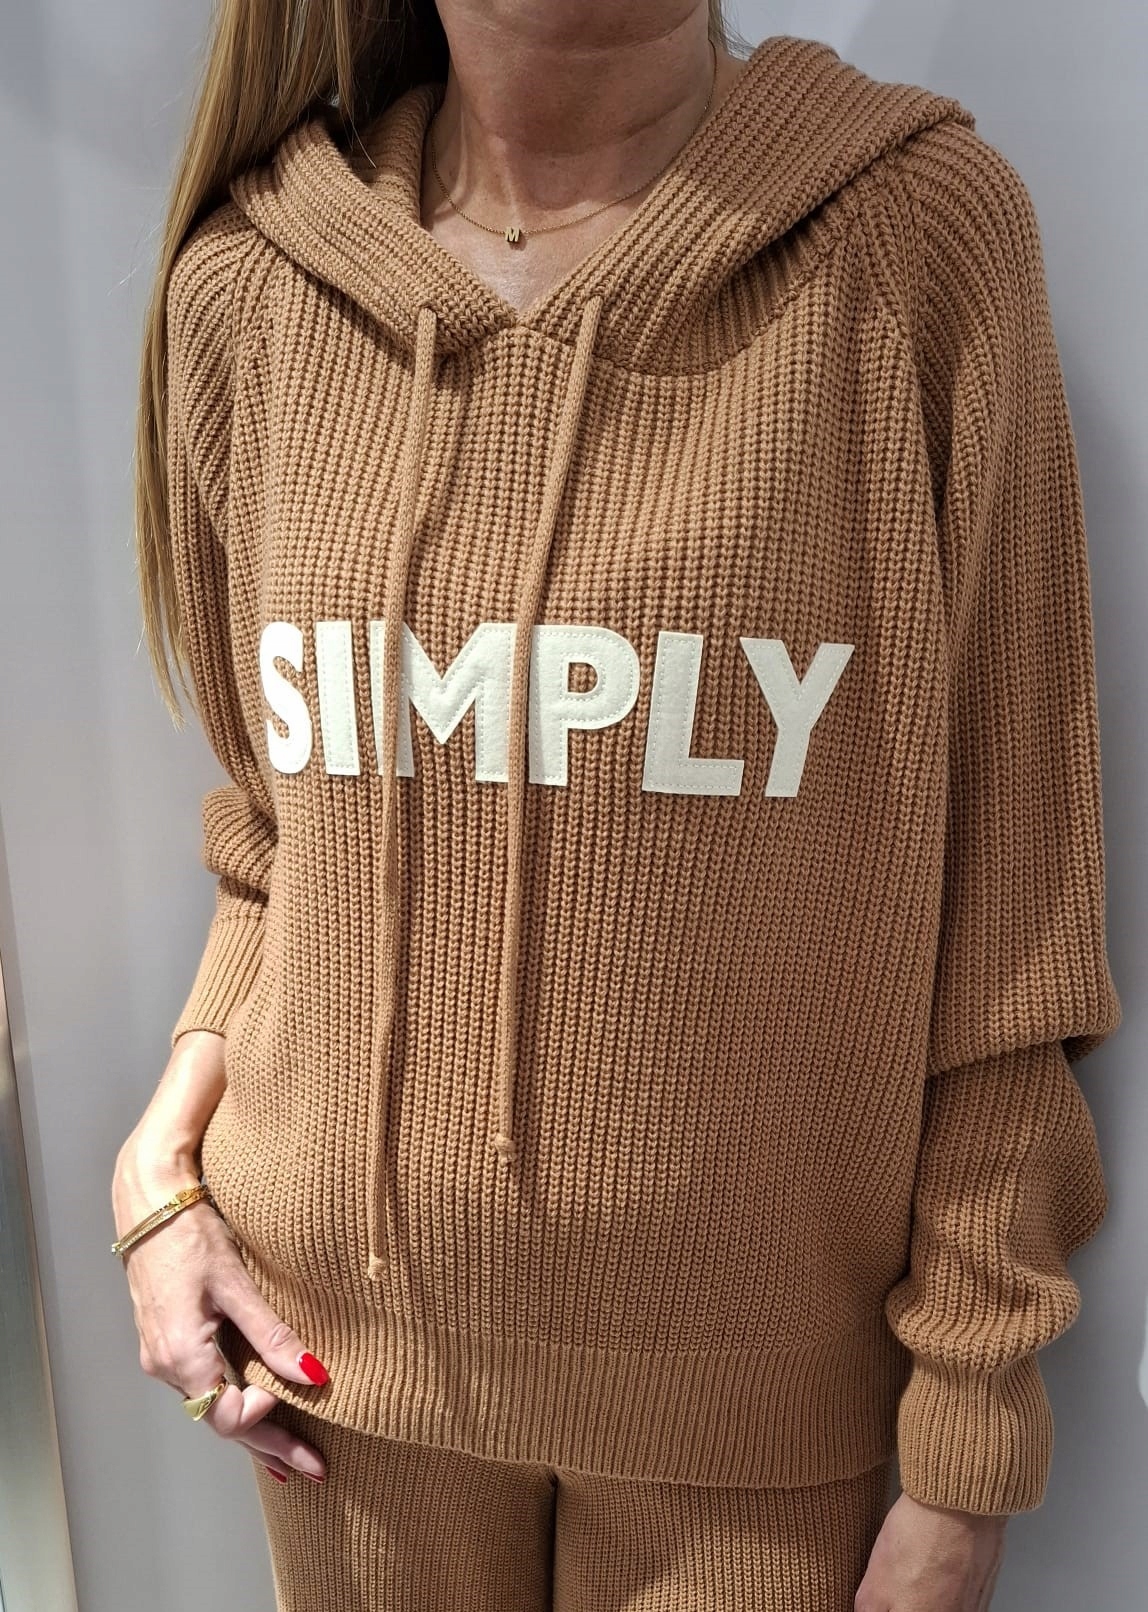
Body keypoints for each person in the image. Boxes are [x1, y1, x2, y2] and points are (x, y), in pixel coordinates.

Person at [112, 2, 1123, 1607]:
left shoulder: (915, 240)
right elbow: (283, 843)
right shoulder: (252, 284)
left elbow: (1013, 903)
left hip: (754, 1426)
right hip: (336, 1386)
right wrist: (159, 1175)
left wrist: (972, 1427)